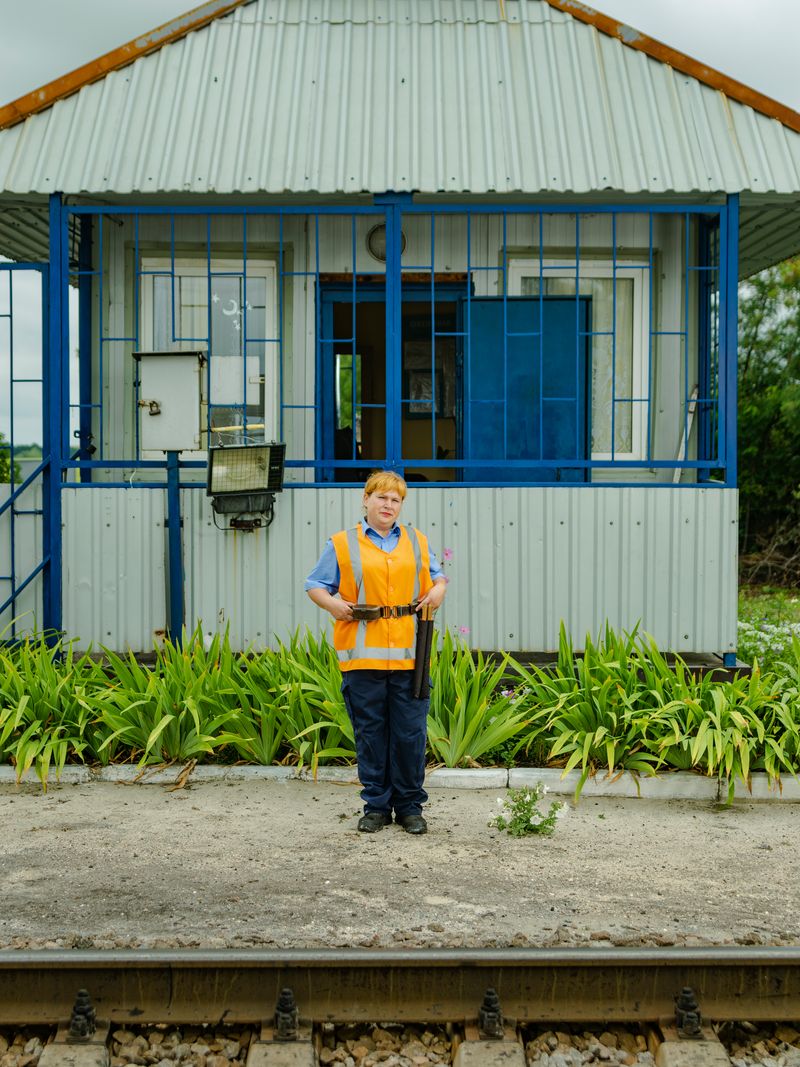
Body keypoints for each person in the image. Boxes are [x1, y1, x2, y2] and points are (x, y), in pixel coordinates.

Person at [305, 471, 448, 834]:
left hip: (408, 660)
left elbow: (436, 575)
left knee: (410, 735)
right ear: (365, 499)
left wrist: (439, 589)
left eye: (396, 500)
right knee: (371, 734)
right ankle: (376, 807)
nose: (388, 505)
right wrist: (333, 605)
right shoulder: (341, 543)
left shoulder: (416, 540)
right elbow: (315, 585)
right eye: (381, 497)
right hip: (361, 658)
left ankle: (410, 807)